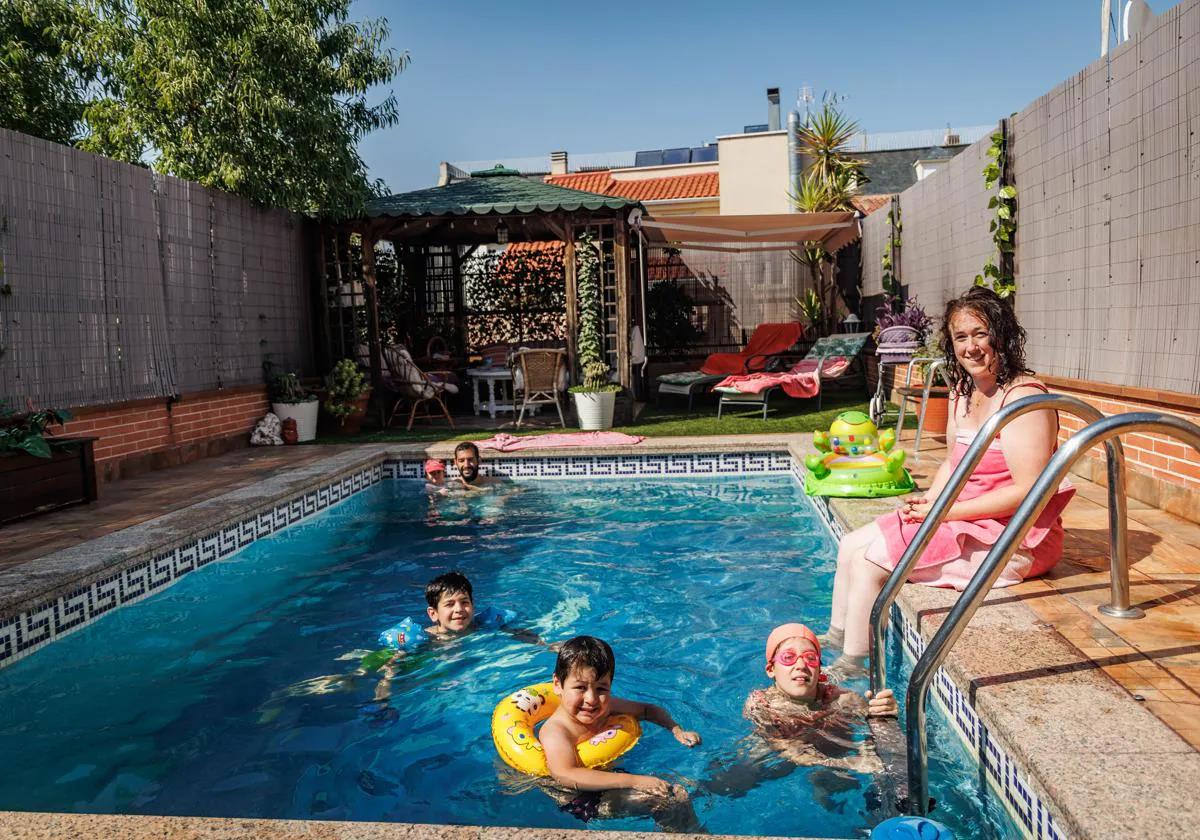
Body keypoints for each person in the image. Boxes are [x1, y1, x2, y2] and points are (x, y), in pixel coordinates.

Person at [824, 286, 1075, 675]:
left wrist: (945, 512)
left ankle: (854, 671)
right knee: (850, 546)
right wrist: (929, 502)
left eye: (981, 333)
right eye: (961, 337)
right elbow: (952, 465)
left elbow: (1030, 493)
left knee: (871, 563)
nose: (971, 347)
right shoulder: (963, 391)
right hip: (963, 518)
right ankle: (837, 638)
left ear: (1003, 335)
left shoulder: (1023, 399)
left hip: (1011, 536)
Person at [702, 623, 905, 809]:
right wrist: (850, 764)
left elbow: (877, 725)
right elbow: (789, 751)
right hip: (780, 759)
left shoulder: (842, 698)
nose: (800, 665)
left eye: (810, 658)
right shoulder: (761, 705)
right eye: (788, 658)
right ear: (771, 669)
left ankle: (825, 784)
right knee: (730, 783)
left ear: (818, 669)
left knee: (846, 794)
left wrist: (885, 711)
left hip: (833, 755)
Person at [538, 635, 704, 831]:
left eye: (601, 688)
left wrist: (676, 730)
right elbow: (565, 775)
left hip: (610, 780)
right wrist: (635, 781)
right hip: (580, 798)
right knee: (663, 800)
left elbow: (649, 710)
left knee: (680, 792)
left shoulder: (605, 707)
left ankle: (697, 834)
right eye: (580, 688)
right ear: (557, 684)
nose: (591, 699)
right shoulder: (556, 731)